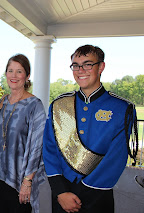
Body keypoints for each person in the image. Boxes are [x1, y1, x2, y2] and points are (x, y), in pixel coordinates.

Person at [43, 44, 138, 213]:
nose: (81, 70)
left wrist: (86, 192)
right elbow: (49, 149)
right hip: (62, 194)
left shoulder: (122, 109)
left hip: (97, 195)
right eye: (76, 65)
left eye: (88, 64)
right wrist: (60, 191)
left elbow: (116, 158)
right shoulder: (59, 105)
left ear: (101, 67)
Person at [0, 54, 46, 213]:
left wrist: (28, 181)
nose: (14, 76)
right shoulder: (2, 101)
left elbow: (37, 146)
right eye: (10, 71)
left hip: (21, 178)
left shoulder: (35, 105)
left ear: (27, 76)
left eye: (19, 71)